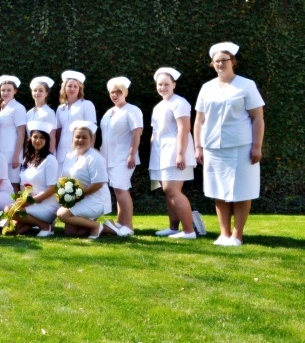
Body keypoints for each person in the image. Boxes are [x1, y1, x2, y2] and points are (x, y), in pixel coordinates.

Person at [194, 42, 265, 247]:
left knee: (242, 191)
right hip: (213, 148)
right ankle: (224, 234)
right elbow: (199, 120)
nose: (220, 64)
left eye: (224, 60)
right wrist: (198, 147)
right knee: (219, 190)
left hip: (241, 147)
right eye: (216, 61)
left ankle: (237, 235)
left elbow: (258, 118)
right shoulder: (207, 88)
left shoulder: (246, 85)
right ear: (212, 64)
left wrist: (257, 146)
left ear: (233, 62)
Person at [149, 67, 200, 239]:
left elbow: (184, 129)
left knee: (172, 190)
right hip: (161, 153)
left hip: (175, 150)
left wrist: (180, 154)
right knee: (168, 191)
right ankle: (173, 228)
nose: (163, 87)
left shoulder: (180, 102)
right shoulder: (159, 106)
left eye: (166, 84)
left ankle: (189, 231)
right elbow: (155, 132)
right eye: (160, 84)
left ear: (174, 85)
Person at [56, 121, 118, 238]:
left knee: (62, 214)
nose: (80, 140)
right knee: (71, 232)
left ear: (91, 140)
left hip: (95, 200)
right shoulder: (69, 156)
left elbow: (98, 184)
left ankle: (96, 227)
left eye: (84, 137)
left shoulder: (95, 158)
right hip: (79, 199)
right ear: (72, 139)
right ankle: (106, 227)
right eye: (77, 137)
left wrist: (77, 196)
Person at [99, 77, 143, 236]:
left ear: (125, 92)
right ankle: (120, 222)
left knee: (121, 188)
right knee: (117, 189)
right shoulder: (109, 112)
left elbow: (137, 132)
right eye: (112, 92)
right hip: (108, 157)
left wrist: (131, 154)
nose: (115, 95)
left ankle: (128, 226)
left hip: (124, 158)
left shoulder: (132, 110)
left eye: (118, 92)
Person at [6, 121, 59, 237]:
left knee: (8, 209)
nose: (38, 140)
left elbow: (51, 189)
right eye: (35, 137)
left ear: (46, 140)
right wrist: (22, 201)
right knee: (15, 231)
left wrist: (30, 201)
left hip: (46, 205)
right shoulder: (27, 159)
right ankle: (35, 223)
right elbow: (23, 187)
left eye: (42, 137)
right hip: (30, 203)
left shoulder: (50, 160)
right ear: (30, 139)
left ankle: (45, 226)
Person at [54, 70, 96, 163]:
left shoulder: (86, 104)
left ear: (79, 89)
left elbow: (92, 129)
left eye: (75, 86)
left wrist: (90, 151)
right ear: (64, 88)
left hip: (79, 151)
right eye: (69, 86)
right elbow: (58, 131)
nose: (72, 89)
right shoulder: (60, 108)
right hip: (61, 153)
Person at [0, 75, 27, 192]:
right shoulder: (0, 108)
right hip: (0, 152)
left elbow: (21, 133)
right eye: (3, 90)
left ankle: (16, 205)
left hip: (12, 153)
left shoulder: (18, 108)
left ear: (15, 91)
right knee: (1, 184)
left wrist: (16, 156)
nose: (5, 93)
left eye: (9, 90)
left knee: (13, 184)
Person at [26, 76, 57, 153]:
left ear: (46, 93)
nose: (37, 93)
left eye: (41, 90)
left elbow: (52, 136)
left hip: (44, 153)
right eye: (35, 90)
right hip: (31, 152)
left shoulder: (49, 112)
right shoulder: (29, 113)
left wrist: (50, 154)